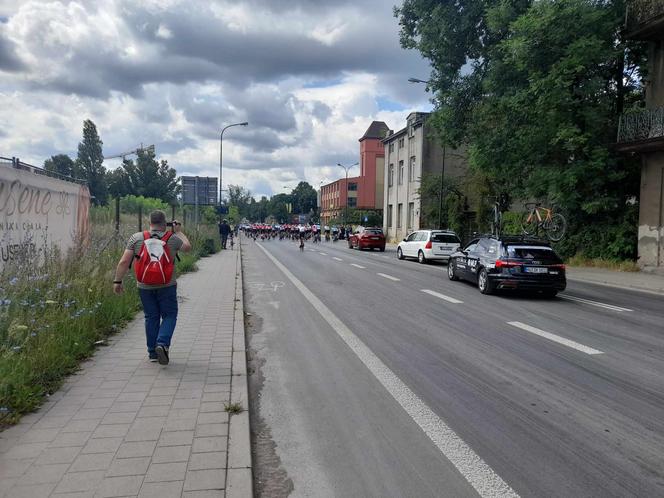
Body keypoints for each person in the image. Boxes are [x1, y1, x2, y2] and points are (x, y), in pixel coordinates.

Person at [113, 210, 192, 365]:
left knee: (151, 317)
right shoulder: (173, 239)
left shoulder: (136, 238)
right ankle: (162, 344)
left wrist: (117, 281)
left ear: (149, 222)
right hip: (167, 285)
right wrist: (180, 232)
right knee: (169, 315)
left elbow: (124, 262)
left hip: (144, 286)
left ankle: (152, 353)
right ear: (165, 223)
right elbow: (188, 247)